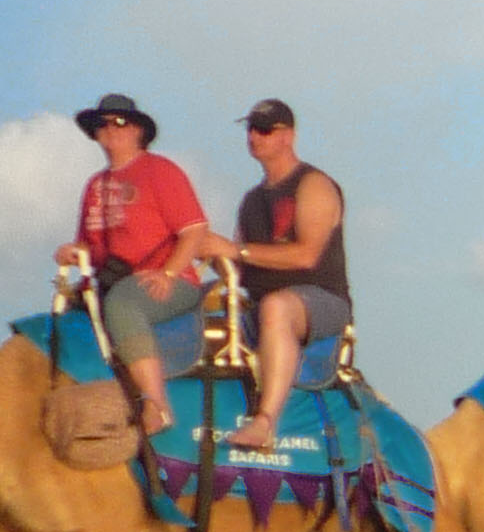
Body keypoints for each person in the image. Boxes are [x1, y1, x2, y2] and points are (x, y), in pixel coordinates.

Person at [195, 99, 351, 452]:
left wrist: (235, 250)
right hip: (259, 300)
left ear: (288, 136)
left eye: (264, 129)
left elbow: (307, 254)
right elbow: (236, 267)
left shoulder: (313, 185)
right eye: (250, 128)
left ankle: (265, 421)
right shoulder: (251, 200)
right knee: (188, 301)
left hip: (319, 299)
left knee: (276, 307)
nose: (254, 136)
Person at [58, 91, 208, 436]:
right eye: (103, 124)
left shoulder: (160, 171)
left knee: (124, 304)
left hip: (169, 281)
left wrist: (169, 273)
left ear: (138, 131)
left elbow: (195, 229)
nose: (111, 129)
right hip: (111, 282)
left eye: (120, 122)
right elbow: (93, 248)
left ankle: (157, 404)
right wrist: (73, 251)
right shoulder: (95, 186)